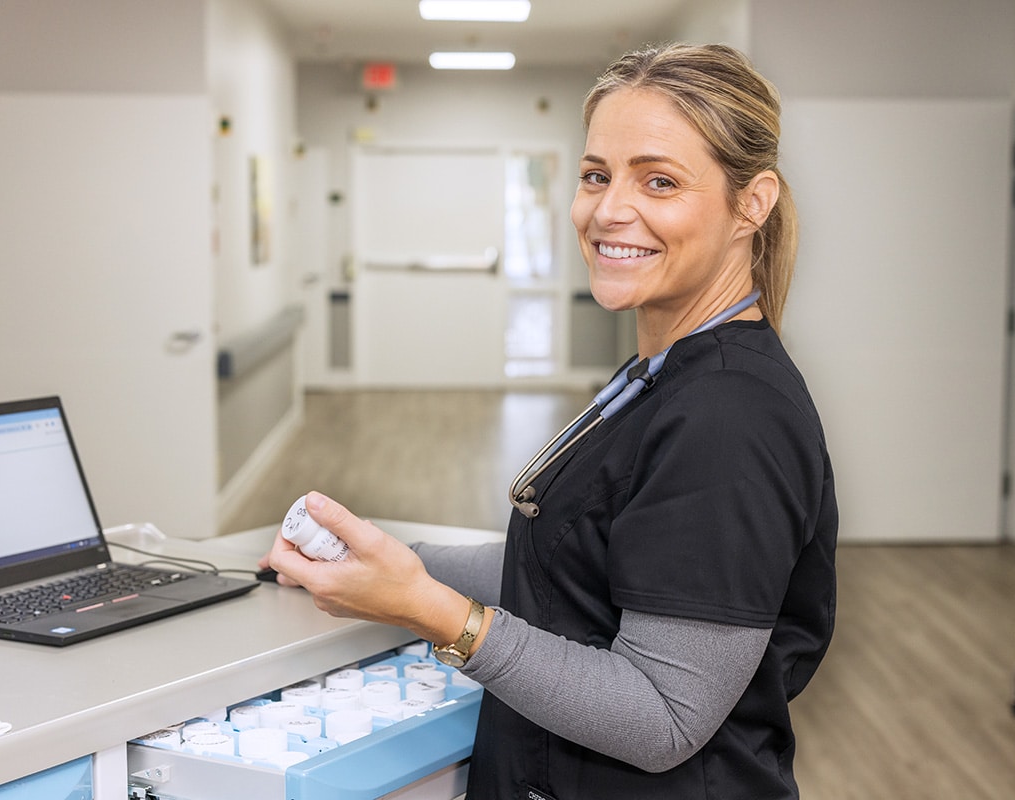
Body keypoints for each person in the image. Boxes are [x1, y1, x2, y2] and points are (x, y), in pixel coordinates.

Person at [263, 42, 838, 799]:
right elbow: (565, 571)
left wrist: (428, 608)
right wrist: (386, 557)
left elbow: (661, 717)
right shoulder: (661, 374)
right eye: (597, 175)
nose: (609, 210)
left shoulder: (730, 419)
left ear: (751, 203)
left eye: (659, 181)